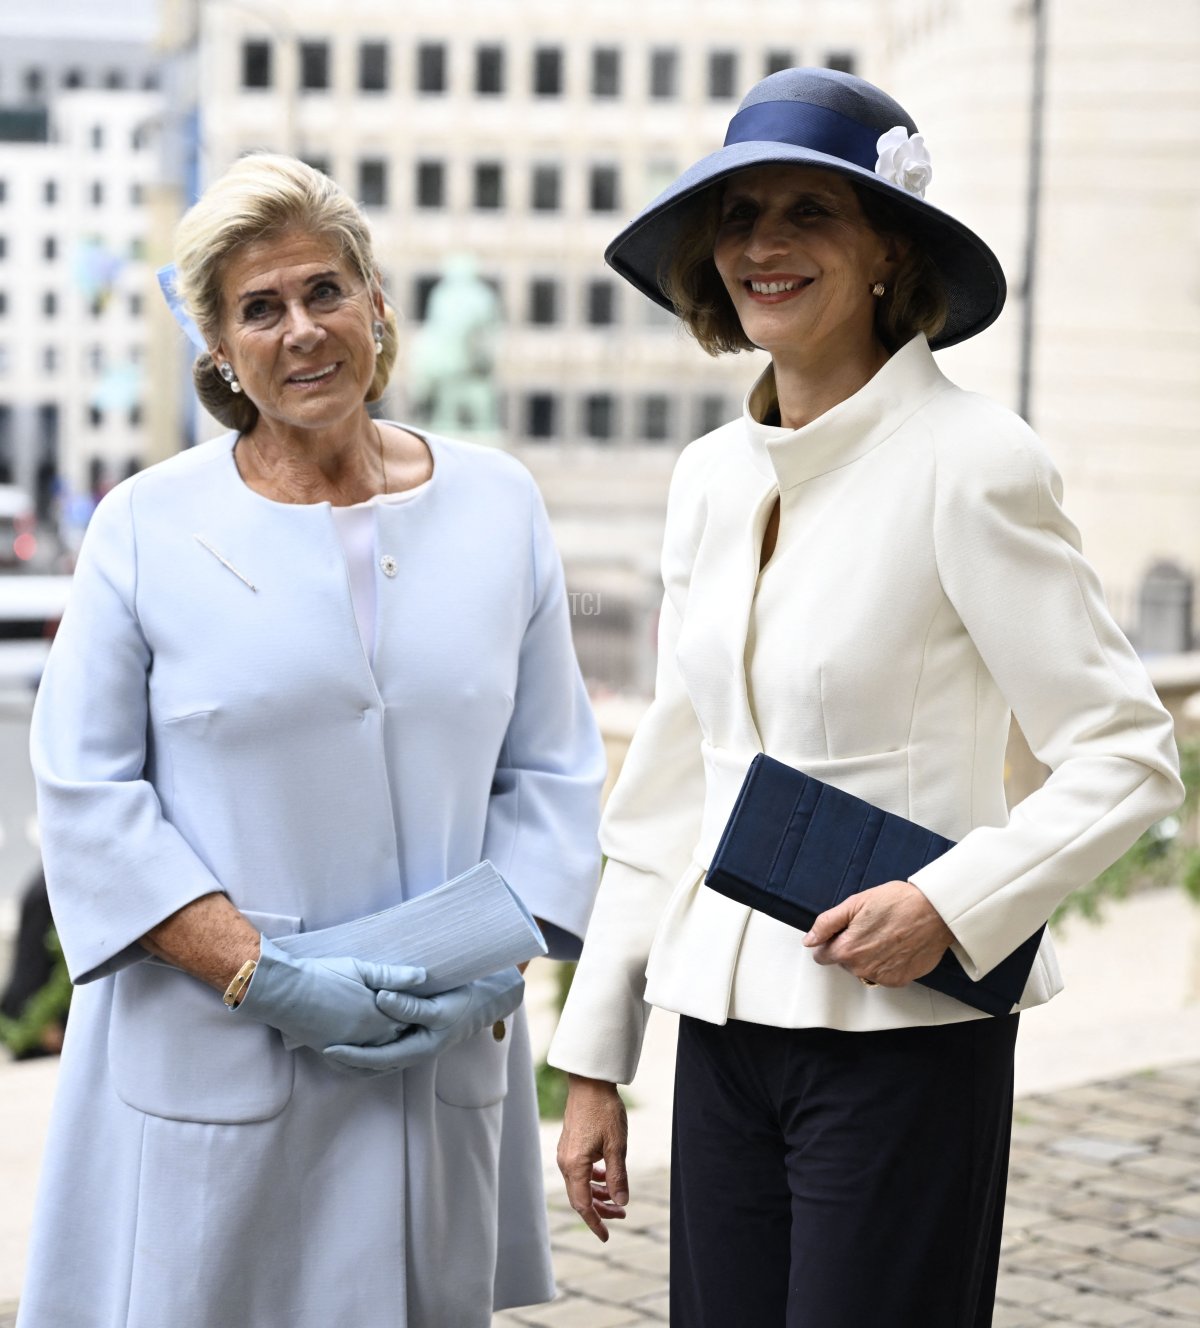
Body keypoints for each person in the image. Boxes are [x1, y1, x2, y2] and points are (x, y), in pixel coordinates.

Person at [548, 67, 1183, 1327]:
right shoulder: (713, 477)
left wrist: (948, 903)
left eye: (809, 213)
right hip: (725, 1039)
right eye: (737, 216)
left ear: (891, 246)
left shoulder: (974, 464)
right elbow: (676, 774)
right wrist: (596, 1057)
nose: (762, 246)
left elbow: (1128, 752)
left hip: (903, 1036)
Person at [19, 154, 605, 1328]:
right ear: (220, 352)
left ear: (378, 305)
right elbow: (86, 794)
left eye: (325, 290)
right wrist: (260, 971)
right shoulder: (146, 525)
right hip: (212, 1045)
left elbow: (552, 769)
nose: (303, 329)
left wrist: (503, 956)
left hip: (435, 1048)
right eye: (260, 308)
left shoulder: (498, 504)